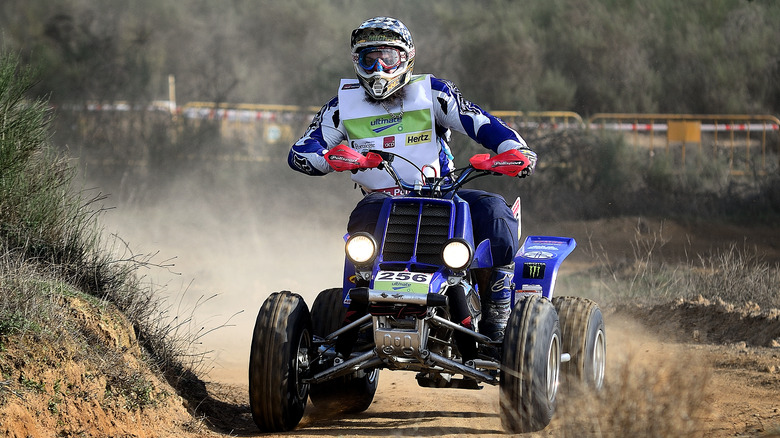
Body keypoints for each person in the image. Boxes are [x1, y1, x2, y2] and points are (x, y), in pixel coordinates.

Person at [288, 17, 537, 346]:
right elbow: (301, 151)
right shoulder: (341, 107)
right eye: (369, 58)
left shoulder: (433, 93)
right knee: (365, 216)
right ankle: (355, 316)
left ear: (405, 59)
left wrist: (514, 151)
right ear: (356, 62)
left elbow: (484, 125)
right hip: (382, 205)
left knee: (495, 212)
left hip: (445, 196)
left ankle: (497, 317)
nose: (378, 66)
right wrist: (330, 158)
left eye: (387, 57)